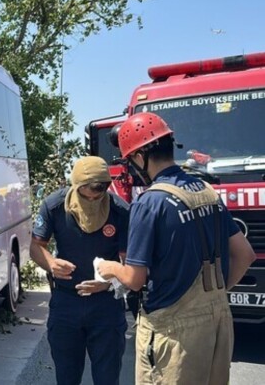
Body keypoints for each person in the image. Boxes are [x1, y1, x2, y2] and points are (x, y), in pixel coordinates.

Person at [97, 112, 256, 385]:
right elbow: (245, 254)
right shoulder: (207, 192)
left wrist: (109, 267)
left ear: (139, 157)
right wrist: (211, 297)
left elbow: (135, 280)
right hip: (217, 324)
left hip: (173, 333)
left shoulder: (150, 203)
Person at [30, 156, 129, 385]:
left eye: (98, 195)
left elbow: (131, 264)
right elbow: (36, 247)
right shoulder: (54, 206)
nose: (92, 199)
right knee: (66, 376)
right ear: (75, 186)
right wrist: (51, 264)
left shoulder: (120, 211)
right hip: (66, 303)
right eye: (86, 195)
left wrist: (109, 283)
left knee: (107, 378)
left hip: (106, 306)